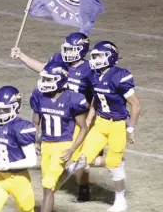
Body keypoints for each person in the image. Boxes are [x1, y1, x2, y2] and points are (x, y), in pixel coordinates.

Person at [11, 32, 103, 202]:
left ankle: (108, 165)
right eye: (67, 48)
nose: (67, 52)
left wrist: (90, 117)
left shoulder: (90, 69)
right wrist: (21, 56)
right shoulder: (59, 60)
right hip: (60, 111)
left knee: (79, 158)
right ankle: (79, 189)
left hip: (79, 113)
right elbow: (43, 68)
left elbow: (99, 95)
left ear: (81, 50)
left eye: (72, 49)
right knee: (75, 159)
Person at [71, 40, 141, 212]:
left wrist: (130, 129)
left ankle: (120, 199)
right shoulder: (94, 75)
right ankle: (112, 163)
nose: (95, 59)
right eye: (94, 56)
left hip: (117, 125)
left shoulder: (120, 75)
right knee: (81, 160)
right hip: (101, 123)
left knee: (114, 165)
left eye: (99, 56)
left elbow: (136, 104)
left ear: (111, 57)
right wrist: (89, 120)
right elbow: (95, 99)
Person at [29, 61, 88, 212]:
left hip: (63, 144)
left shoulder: (72, 98)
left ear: (60, 80)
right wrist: (35, 141)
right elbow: (35, 122)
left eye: (49, 80)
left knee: (48, 185)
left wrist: (71, 149)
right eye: (44, 79)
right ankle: (73, 169)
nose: (44, 83)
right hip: (47, 144)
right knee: (50, 185)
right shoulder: (39, 96)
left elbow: (83, 127)